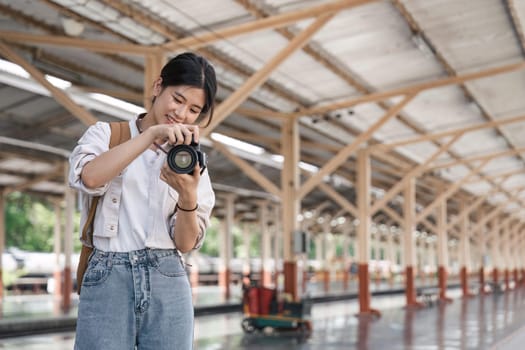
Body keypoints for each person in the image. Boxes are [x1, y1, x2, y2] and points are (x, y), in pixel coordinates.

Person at [69, 52, 217, 350]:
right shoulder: (106, 134)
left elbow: (186, 243)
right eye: (177, 99)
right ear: (157, 87)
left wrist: (188, 195)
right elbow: (90, 178)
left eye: (193, 110)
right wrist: (150, 135)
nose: (181, 113)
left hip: (169, 277)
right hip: (108, 273)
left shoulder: (191, 162)